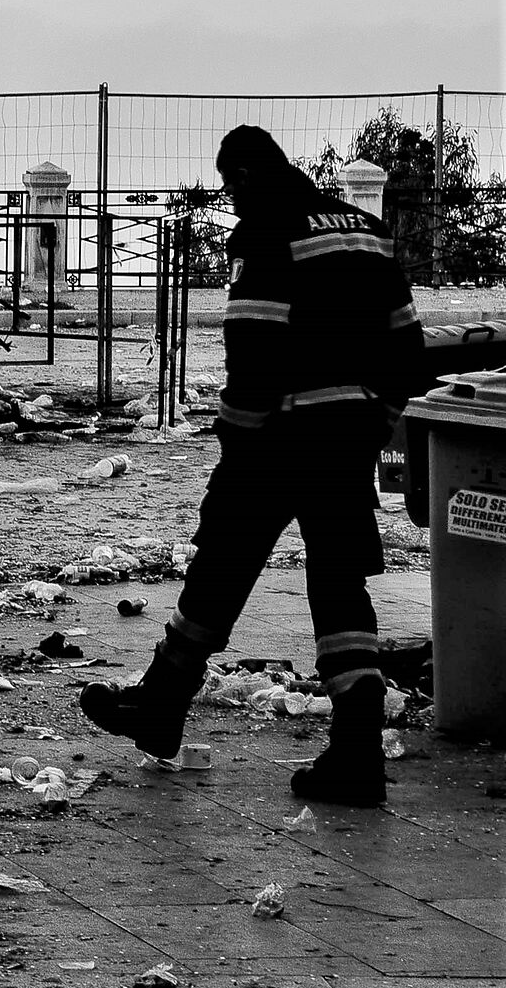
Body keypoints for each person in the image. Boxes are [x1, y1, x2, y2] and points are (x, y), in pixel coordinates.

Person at [80, 125, 425, 805]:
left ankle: (162, 703)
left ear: (242, 176)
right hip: (347, 437)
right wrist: (376, 416)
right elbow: (408, 345)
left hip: (278, 435)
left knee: (222, 564)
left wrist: (236, 445)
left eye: (230, 187)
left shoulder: (268, 230)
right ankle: (357, 749)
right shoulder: (366, 230)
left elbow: (254, 347)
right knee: (340, 583)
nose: (231, 201)